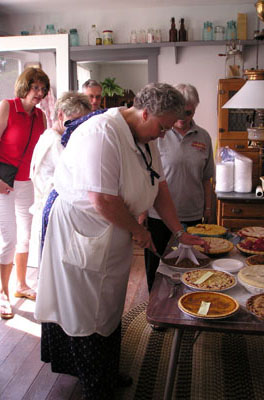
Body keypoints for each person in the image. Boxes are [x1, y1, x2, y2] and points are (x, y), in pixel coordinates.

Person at [34, 82, 208, 400]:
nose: (164, 133)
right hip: (82, 230)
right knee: (86, 311)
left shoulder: (146, 136)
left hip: (112, 228)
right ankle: (93, 385)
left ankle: (106, 372)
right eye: (162, 126)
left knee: (111, 306)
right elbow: (102, 199)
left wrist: (180, 232)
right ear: (144, 112)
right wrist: (140, 232)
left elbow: (161, 188)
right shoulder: (101, 134)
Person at [144, 83, 215, 292]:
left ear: (196, 108)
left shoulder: (203, 137)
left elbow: (207, 178)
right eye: (179, 111)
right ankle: (155, 309)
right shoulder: (157, 136)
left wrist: (208, 209)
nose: (183, 116)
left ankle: (186, 304)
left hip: (192, 215)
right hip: (158, 217)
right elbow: (146, 176)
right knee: (156, 266)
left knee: (192, 267)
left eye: (189, 111)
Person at [0, 67, 50, 319]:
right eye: (35, 87)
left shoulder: (40, 116)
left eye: (43, 89)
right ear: (24, 86)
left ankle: (21, 285)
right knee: (7, 239)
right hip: (3, 184)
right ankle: (3, 294)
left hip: (28, 184)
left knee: (25, 237)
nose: (39, 93)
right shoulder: (7, 106)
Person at [29, 91, 92, 266]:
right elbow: (74, 178)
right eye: (75, 120)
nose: (79, 126)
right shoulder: (55, 142)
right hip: (51, 211)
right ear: (60, 115)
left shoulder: (55, 137)